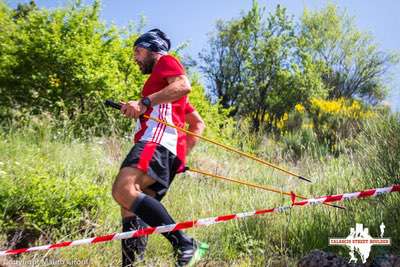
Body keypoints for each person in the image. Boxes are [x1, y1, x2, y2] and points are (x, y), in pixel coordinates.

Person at [111, 28, 208, 267]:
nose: (135, 57)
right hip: (167, 150)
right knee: (130, 208)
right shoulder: (166, 93)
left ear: (152, 50)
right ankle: (132, 264)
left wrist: (144, 102)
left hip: (156, 141)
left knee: (123, 189)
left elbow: (184, 85)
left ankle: (185, 243)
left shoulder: (165, 61)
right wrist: (180, 157)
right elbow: (197, 124)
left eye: (138, 51)